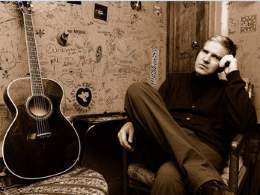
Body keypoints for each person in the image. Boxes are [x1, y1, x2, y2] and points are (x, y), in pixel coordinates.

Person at [117, 35, 257, 195]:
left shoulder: (228, 90)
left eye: (215, 57)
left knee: (169, 175)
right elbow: (154, 114)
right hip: (164, 143)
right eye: (205, 52)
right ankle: (204, 176)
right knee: (137, 89)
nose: (206, 59)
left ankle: (202, 176)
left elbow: (247, 124)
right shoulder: (174, 80)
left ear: (223, 64)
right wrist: (131, 121)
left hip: (205, 148)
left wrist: (233, 74)